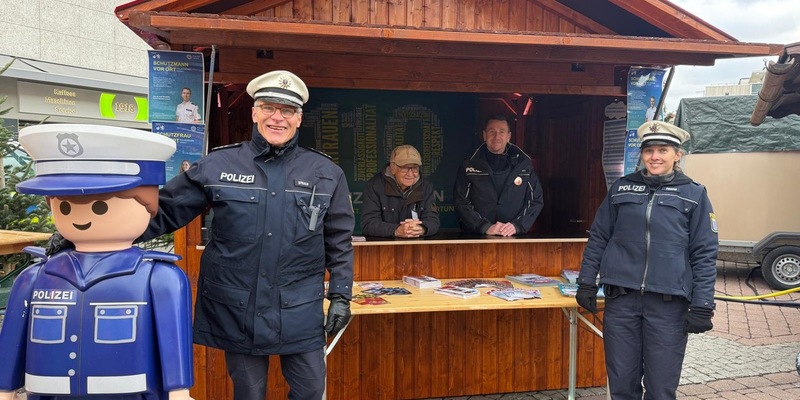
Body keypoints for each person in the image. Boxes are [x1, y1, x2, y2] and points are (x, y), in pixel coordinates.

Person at [146, 70, 353, 400]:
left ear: (298, 119)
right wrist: (90, 236)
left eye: (287, 111)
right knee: (249, 393)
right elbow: (165, 210)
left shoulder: (326, 173)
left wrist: (341, 296)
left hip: (298, 307)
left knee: (311, 389)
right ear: (255, 112)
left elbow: (339, 241)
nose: (277, 117)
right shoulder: (219, 164)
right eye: (269, 107)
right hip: (238, 306)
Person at [0, 124, 193, 400]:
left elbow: (173, 340)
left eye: (100, 205)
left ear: (147, 203)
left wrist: (179, 391)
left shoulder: (159, 277)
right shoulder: (35, 276)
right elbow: (12, 341)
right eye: (65, 206)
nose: (80, 216)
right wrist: (5, 390)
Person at [575, 120, 718, 399]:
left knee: (660, 389)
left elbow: (704, 252)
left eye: (663, 150)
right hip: (622, 302)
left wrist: (703, 304)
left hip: (668, 306)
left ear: (677, 155)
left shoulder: (694, 193)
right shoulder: (621, 189)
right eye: (649, 150)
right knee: (622, 386)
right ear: (641, 154)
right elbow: (599, 239)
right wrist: (586, 282)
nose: (655, 156)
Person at [453, 114, 544, 237]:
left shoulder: (523, 164)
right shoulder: (469, 165)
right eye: (492, 132)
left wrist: (517, 225)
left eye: (502, 132)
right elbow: (461, 202)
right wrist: (484, 226)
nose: (497, 137)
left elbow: (535, 200)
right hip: (476, 238)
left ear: (509, 136)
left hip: (513, 237)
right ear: (484, 135)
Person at [360, 144, 439, 238]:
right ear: (393, 168)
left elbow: (433, 221)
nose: (410, 174)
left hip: (417, 248)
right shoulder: (374, 186)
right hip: (383, 249)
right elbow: (368, 224)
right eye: (405, 168)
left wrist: (422, 228)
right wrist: (396, 230)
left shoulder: (426, 187)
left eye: (414, 168)